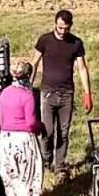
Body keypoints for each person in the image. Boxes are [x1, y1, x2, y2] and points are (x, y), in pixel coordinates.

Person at [30, 9, 93, 174]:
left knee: (63, 132)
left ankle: (60, 165)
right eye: (60, 28)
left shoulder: (76, 43)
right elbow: (34, 63)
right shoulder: (45, 40)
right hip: (48, 93)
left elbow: (82, 68)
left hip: (66, 94)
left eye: (66, 28)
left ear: (70, 26)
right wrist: (28, 87)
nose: (63, 31)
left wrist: (87, 94)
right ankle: (46, 161)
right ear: (55, 24)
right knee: (47, 131)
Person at [0, 59, 44, 196]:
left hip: (6, 137)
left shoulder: (4, 93)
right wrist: (40, 127)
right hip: (23, 138)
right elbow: (31, 123)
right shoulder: (27, 95)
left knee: (8, 171)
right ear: (28, 75)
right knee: (29, 173)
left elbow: (1, 119)